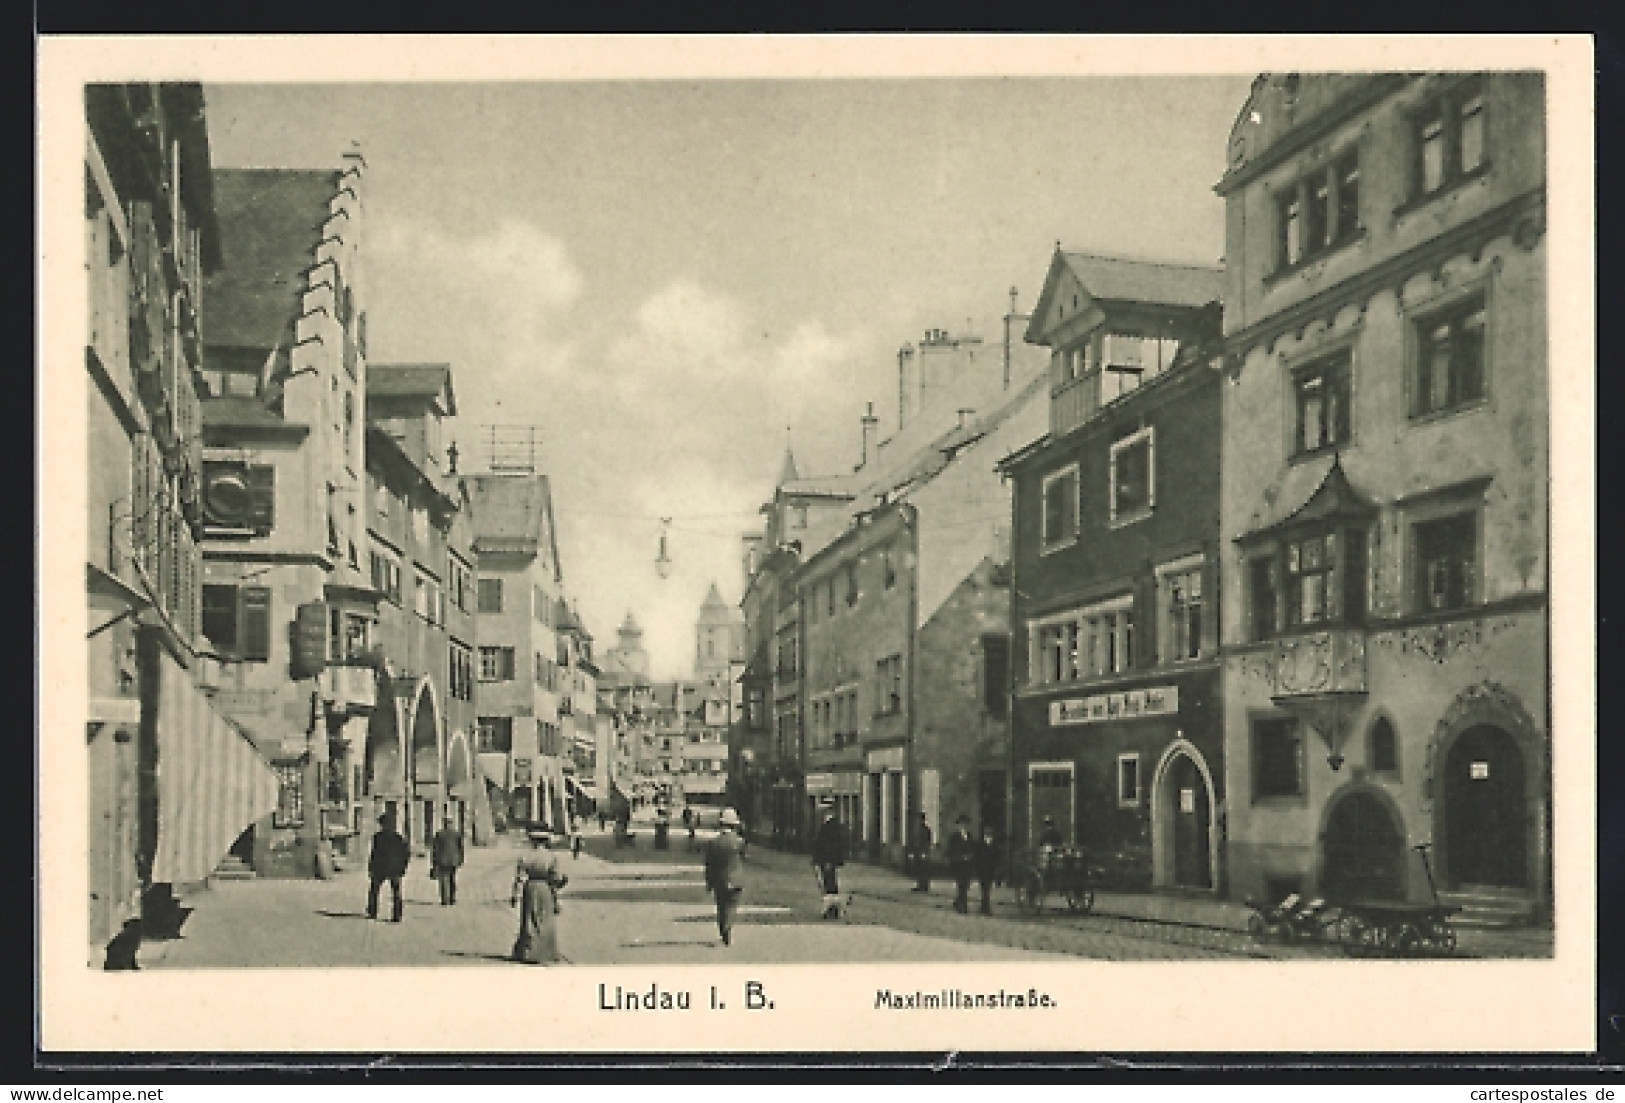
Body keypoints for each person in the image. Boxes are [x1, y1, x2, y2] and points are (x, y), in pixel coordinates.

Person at [511, 834, 569, 964]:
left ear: (532, 841)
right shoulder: (552, 857)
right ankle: (546, 952)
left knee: (529, 920)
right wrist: (562, 882)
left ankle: (527, 952)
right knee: (545, 921)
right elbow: (556, 878)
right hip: (545, 889)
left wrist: (515, 895)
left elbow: (519, 878)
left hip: (530, 888)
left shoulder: (526, 857)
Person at [703, 807, 746, 946]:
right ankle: (728, 928)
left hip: (719, 880)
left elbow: (709, 865)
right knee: (732, 905)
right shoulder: (740, 842)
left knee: (721, 906)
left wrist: (709, 883)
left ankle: (723, 930)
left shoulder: (713, 843)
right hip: (736, 879)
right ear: (734, 826)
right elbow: (741, 859)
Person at [366, 812, 410, 922]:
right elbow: (406, 854)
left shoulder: (378, 838)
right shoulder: (398, 838)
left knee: (374, 890)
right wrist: (403, 867)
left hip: (379, 868)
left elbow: (374, 853)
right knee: (396, 892)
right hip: (394, 868)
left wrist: (371, 867)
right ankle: (397, 915)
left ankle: (373, 911)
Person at [811, 799, 848, 920]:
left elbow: (831, 845)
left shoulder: (832, 825)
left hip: (828, 861)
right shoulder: (828, 824)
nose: (821, 813)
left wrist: (829, 861)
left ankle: (832, 909)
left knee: (830, 885)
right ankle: (834, 909)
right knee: (829, 884)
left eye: (823, 810)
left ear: (828, 811)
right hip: (826, 860)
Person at [430, 811, 465, 906]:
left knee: (444, 879)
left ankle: (445, 899)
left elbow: (435, 849)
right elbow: (460, 847)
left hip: (442, 860)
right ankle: (452, 898)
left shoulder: (439, 834)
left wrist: (433, 862)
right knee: (452, 879)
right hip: (453, 860)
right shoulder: (456, 834)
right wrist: (461, 859)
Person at [946, 814, 975, 914]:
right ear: (958, 825)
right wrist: (960, 857)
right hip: (958, 864)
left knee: (966, 884)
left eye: (966, 824)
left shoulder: (969, 836)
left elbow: (972, 848)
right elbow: (952, 850)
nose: (964, 826)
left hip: (968, 865)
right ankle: (962, 904)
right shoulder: (954, 837)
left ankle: (960, 901)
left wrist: (970, 856)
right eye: (962, 824)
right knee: (961, 884)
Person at [974, 823, 1001, 915]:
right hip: (982, 869)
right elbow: (977, 857)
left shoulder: (995, 844)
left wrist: (996, 867)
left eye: (990, 833)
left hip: (991, 869)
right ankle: (984, 906)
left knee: (987, 888)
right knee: (984, 888)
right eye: (987, 833)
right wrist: (977, 868)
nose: (988, 835)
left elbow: (997, 857)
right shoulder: (980, 843)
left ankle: (985, 906)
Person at [908, 811, 933, 893]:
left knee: (924, 869)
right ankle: (920, 885)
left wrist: (925, 852)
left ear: (923, 820)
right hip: (917, 852)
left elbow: (927, 842)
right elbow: (914, 842)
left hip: (923, 852)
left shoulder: (926, 830)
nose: (919, 821)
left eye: (920, 819)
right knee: (918, 868)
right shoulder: (916, 830)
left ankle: (925, 885)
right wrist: (912, 852)